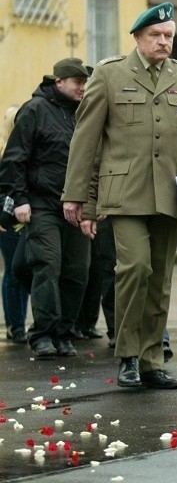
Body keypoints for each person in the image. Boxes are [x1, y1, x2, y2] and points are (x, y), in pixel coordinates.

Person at [62, 2, 177, 390]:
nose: (164, 42)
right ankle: (128, 354)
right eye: (156, 36)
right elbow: (86, 140)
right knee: (136, 268)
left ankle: (151, 360)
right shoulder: (110, 74)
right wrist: (76, 195)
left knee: (161, 278)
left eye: (169, 36)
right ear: (137, 38)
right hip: (124, 192)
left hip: (171, 191)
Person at [0, 59, 92, 358]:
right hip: (41, 204)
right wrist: (20, 198)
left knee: (77, 271)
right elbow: (14, 159)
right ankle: (43, 333)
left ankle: (64, 333)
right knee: (48, 265)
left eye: (85, 81)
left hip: (76, 204)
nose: (82, 86)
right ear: (58, 82)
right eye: (76, 81)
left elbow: (96, 160)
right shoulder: (34, 110)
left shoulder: (84, 113)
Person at [0, 104, 29, 344]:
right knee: (12, 271)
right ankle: (15, 325)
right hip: (6, 220)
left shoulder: (27, 150)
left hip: (25, 218)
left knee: (25, 268)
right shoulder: (3, 153)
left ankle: (20, 323)